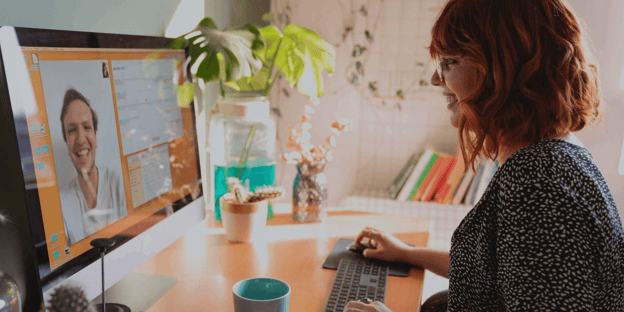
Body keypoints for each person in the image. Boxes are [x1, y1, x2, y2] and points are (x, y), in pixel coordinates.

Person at [345, 0, 624, 311]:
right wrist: (407, 254)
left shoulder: (538, 182)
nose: (436, 79)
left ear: (502, 67)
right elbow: (496, 272)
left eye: (448, 61)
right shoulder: (555, 155)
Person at [59, 88, 126, 245]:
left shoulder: (118, 180)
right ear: (66, 143)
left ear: (95, 137)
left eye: (86, 127)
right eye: (72, 130)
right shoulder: (61, 203)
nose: (80, 138)